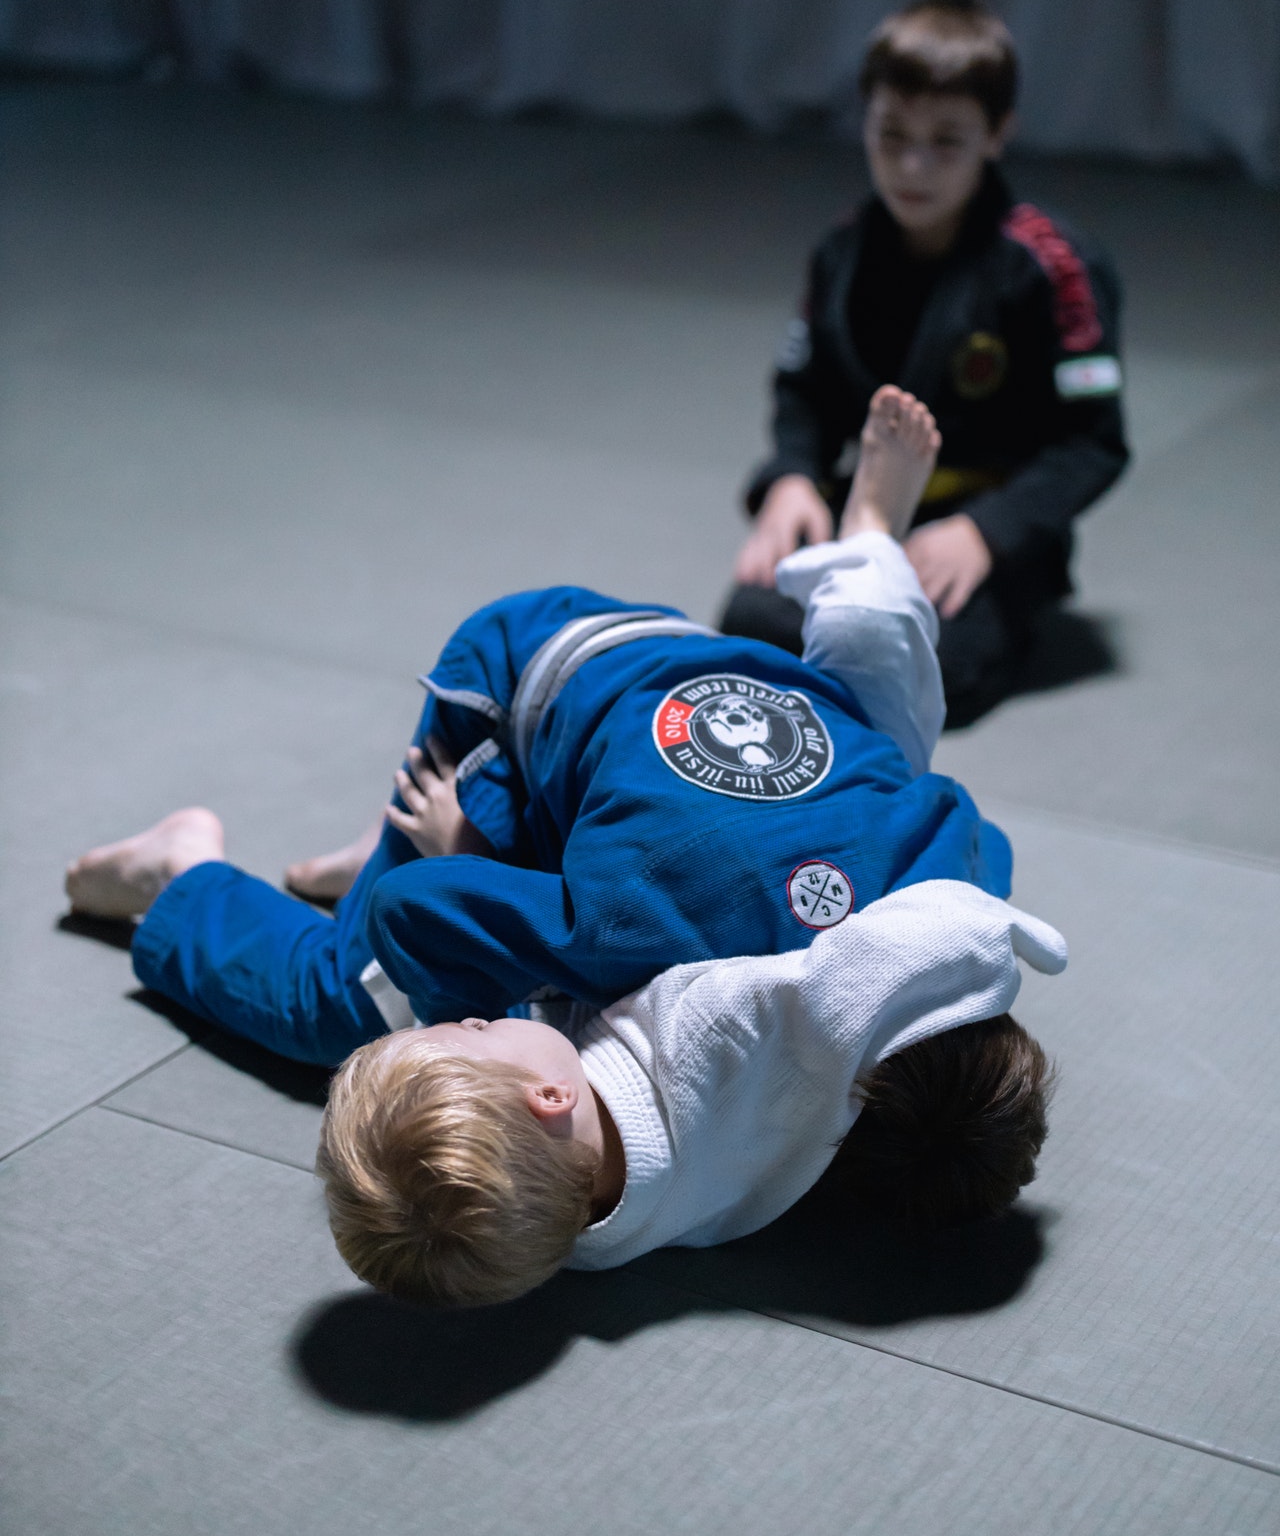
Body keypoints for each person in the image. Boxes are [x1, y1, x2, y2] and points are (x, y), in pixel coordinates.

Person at [66, 390, 1063, 1304]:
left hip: (724, 679)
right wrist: (469, 857)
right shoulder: (646, 961)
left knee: (884, 728)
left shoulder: (958, 876)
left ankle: (866, 547)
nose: (454, 1026)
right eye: (460, 1034)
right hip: (519, 677)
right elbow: (425, 913)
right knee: (341, 999)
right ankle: (183, 869)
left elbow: (915, 769)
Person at [722, 0, 1128, 718]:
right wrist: (792, 479)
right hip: (870, 507)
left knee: (940, 665)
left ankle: (987, 608)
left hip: (988, 519)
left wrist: (988, 532)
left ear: (998, 133)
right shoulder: (843, 252)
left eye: (947, 140)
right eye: (891, 134)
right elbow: (802, 391)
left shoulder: (1051, 266)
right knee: (749, 618)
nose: (914, 164)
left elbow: (1094, 442)